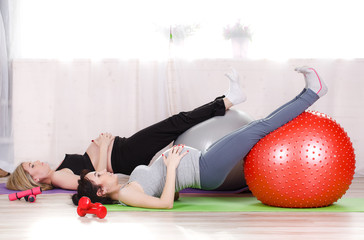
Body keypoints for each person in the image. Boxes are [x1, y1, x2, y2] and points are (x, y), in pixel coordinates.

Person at [72, 67, 328, 209]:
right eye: (97, 176)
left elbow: (165, 190)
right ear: (103, 190)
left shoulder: (126, 187)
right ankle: (312, 92)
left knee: (259, 128)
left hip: (202, 160)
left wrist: (173, 179)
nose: (101, 171)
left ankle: (309, 92)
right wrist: (172, 167)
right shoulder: (127, 196)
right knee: (259, 128)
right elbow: (164, 205)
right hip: (206, 169)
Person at [6, 69, 247, 191]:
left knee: (176, 124)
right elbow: (95, 180)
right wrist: (101, 147)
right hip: (125, 155)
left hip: (123, 150)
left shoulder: (59, 172)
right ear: (34, 179)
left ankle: (225, 101)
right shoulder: (59, 178)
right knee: (176, 122)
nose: (36, 161)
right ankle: (228, 100)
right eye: (32, 165)